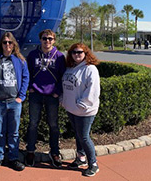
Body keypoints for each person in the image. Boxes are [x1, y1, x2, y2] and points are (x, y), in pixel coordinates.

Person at [0, 32, 29, 171]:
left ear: (14, 44)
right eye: (5, 42)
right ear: (1, 44)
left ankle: (13, 158)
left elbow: (25, 78)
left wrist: (21, 97)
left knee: (14, 132)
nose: (7, 45)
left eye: (10, 42)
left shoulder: (20, 60)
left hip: (14, 102)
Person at [25, 29, 66, 167]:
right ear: (40, 40)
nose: (47, 41)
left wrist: (57, 91)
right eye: (44, 38)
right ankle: (30, 151)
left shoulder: (59, 56)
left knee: (53, 125)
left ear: (54, 40)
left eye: (50, 38)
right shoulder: (32, 55)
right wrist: (30, 87)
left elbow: (63, 76)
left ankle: (54, 152)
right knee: (32, 124)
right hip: (35, 94)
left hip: (51, 95)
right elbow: (27, 72)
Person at [62, 43, 100, 177]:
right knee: (78, 135)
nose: (77, 54)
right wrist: (64, 100)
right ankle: (81, 158)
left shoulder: (90, 69)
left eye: (80, 52)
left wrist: (83, 103)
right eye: (74, 52)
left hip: (85, 111)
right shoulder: (70, 68)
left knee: (84, 136)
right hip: (71, 109)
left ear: (86, 53)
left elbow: (93, 90)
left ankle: (93, 164)